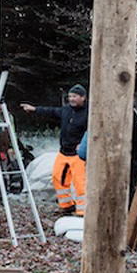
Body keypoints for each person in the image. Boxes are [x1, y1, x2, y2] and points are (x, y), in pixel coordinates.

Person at [20, 84, 89, 214]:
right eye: (70, 96)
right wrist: (34, 109)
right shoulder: (66, 110)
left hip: (78, 154)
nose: (71, 99)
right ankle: (66, 205)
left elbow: (94, 131)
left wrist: (84, 144)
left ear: (83, 97)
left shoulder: (90, 112)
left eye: (74, 96)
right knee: (58, 178)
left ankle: (83, 211)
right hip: (64, 152)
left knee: (80, 183)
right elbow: (50, 111)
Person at [75, 107, 137, 206]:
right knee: (127, 196)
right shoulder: (132, 112)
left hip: (117, 164)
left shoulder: (107, 115)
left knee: (112, 199)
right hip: (133, 160)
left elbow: (82, 153)